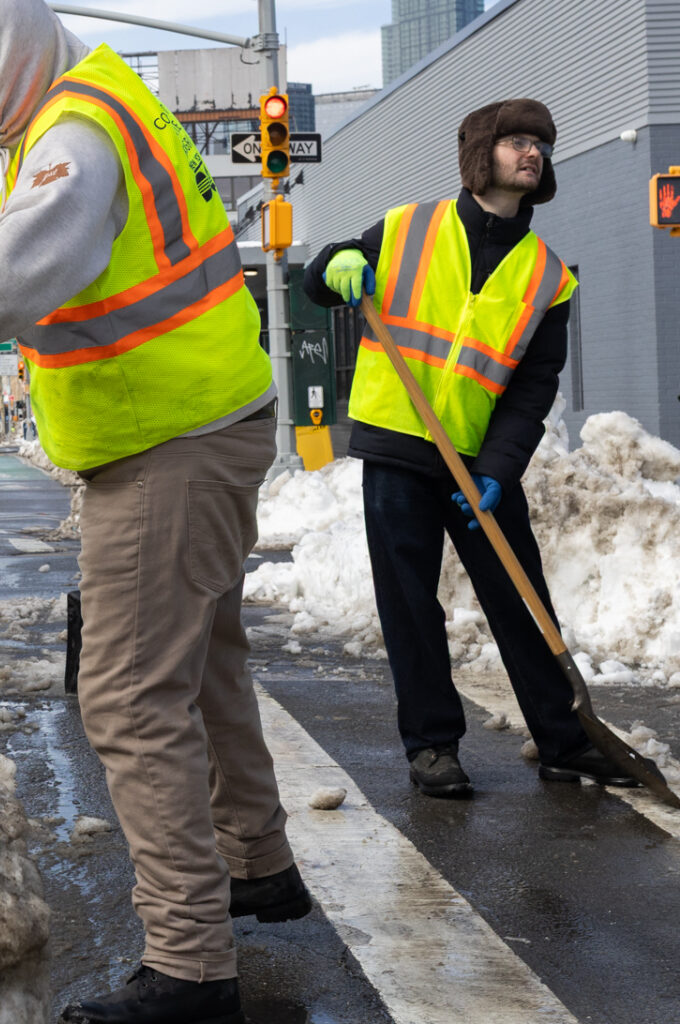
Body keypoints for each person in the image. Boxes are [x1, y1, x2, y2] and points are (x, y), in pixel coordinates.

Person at [0, 3, 304, 1020]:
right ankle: (255, 861)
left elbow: (26, 261)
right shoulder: (106, 103)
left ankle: (191, 967)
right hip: (200, 423)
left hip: (168, 443)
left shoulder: (76, 131)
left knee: (124, 696)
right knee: (206, 659)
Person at [303, 99, 638, 799]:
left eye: (540, 143)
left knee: (521, 598)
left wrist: (497, 471)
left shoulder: (548, 275)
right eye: (517, 140)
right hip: (398, 447)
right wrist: (334, 265)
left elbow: (531, 387)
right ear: (481, 152)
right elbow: (322, 273)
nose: (533, 152)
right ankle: (432, 747)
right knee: (411, 605)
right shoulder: (407, 228)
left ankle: (564, 739)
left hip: (479, 461)